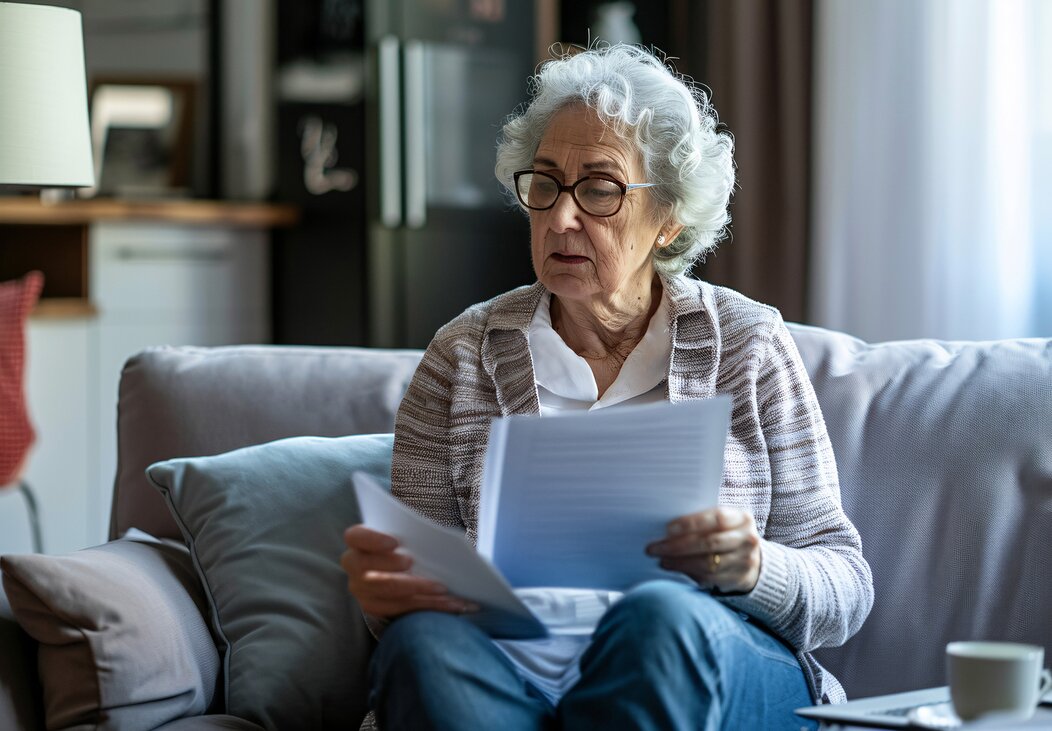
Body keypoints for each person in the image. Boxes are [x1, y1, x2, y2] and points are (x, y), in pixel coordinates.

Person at [341, 44, 873, 730]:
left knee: (659, 615)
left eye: (599, 189)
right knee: (421, 646)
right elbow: (418, 596)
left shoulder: (748, 343)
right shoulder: (461, 356)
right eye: (546, 184)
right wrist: (390, 598)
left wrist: (753, 567)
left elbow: (846, 585)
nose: (561, 219)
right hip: (514, 684)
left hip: (701, 662)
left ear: (670, 218)